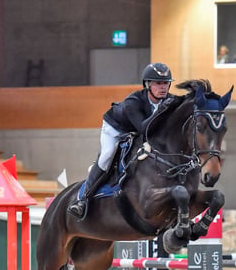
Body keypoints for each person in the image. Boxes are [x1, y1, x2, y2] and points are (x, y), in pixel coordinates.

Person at [67, 62, 174, 219]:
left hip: (139, 131)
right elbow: (144, 129)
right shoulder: (134, 102)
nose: (163, 87)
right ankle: (82, 199)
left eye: (166, 83)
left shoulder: (170, 100)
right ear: (148, 85)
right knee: (107, 155)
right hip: (115, 128)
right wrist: (164, 110)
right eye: (158, 83)